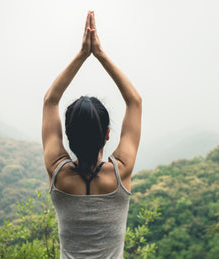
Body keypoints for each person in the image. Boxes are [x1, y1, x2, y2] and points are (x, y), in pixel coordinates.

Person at [42, 11, 142, 258]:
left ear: (67, 134)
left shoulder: (57, 172)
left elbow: (50, 101)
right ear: (107, 134)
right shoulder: (120, 172)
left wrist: (82, 55)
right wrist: (99, 54)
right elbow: (135, 102)